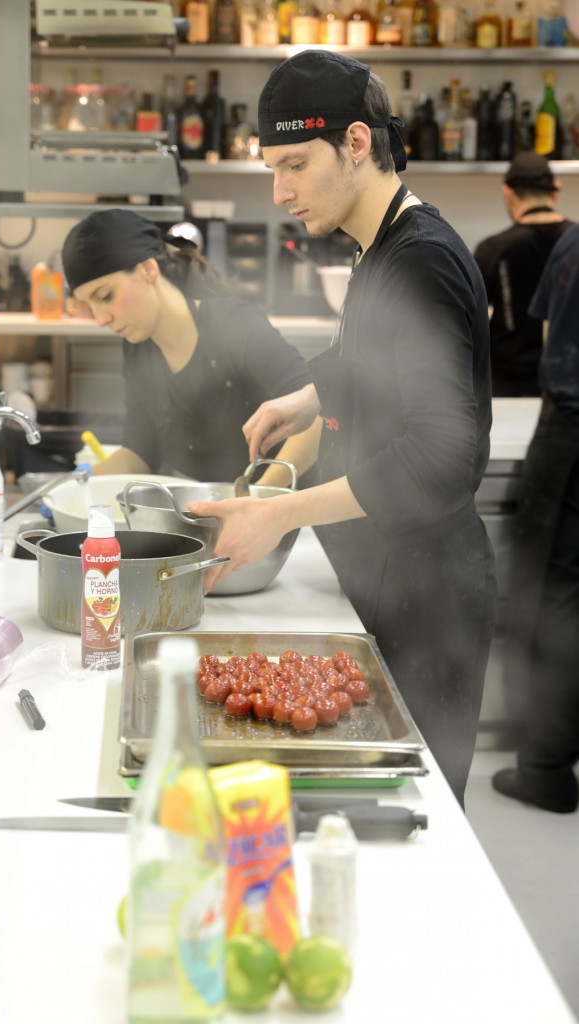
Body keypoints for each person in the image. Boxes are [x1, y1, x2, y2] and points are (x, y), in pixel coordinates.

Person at [188, 50, 497, 808]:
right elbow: (374, 348)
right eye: (271, 167)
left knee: (408, 819)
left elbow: (438, 454)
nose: (280, 190)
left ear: (356, 143)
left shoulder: (417, 260)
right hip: (388, 571)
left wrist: (277, 513)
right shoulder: (381, 247)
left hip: (429, 595)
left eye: (294, 163)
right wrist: (310, 393)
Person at [60, 209, 321, 486]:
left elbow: (319, 412)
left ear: (147, 269)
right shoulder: (138, 349)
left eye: (105, 296)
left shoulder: (235, 325)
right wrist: (73, 485)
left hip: (284, 515)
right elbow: (140, 452)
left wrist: (258, 501)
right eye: (90, 305)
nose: (101, 319)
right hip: (201, 513)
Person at [492, 223, 579, 814]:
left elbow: (549, 336)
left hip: (570, 432)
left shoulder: (574, 245)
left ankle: (545, 767)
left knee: (556, 592)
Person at [473, 152, 573, 397]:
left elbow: (468, 324)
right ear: (555, 191)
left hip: (507, 389)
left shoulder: (493, 249)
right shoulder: (575, 244)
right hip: (570, 389)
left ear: (507, 192)